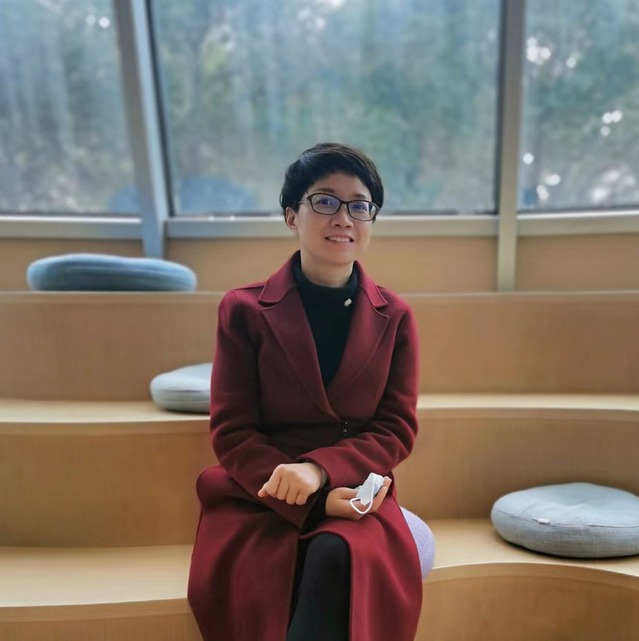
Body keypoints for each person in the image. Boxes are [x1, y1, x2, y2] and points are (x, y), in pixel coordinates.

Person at [188, 142, 427, 641]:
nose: (344, 217)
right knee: (270, 573)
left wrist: (320, 473)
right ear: (291, 216)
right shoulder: (243, 309)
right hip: (262, 489)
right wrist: (310, 497)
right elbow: (233, 432)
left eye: (359, 205)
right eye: (325, 200)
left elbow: (395, 428)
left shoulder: (396, 315)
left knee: (338, 553)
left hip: (353, 483)